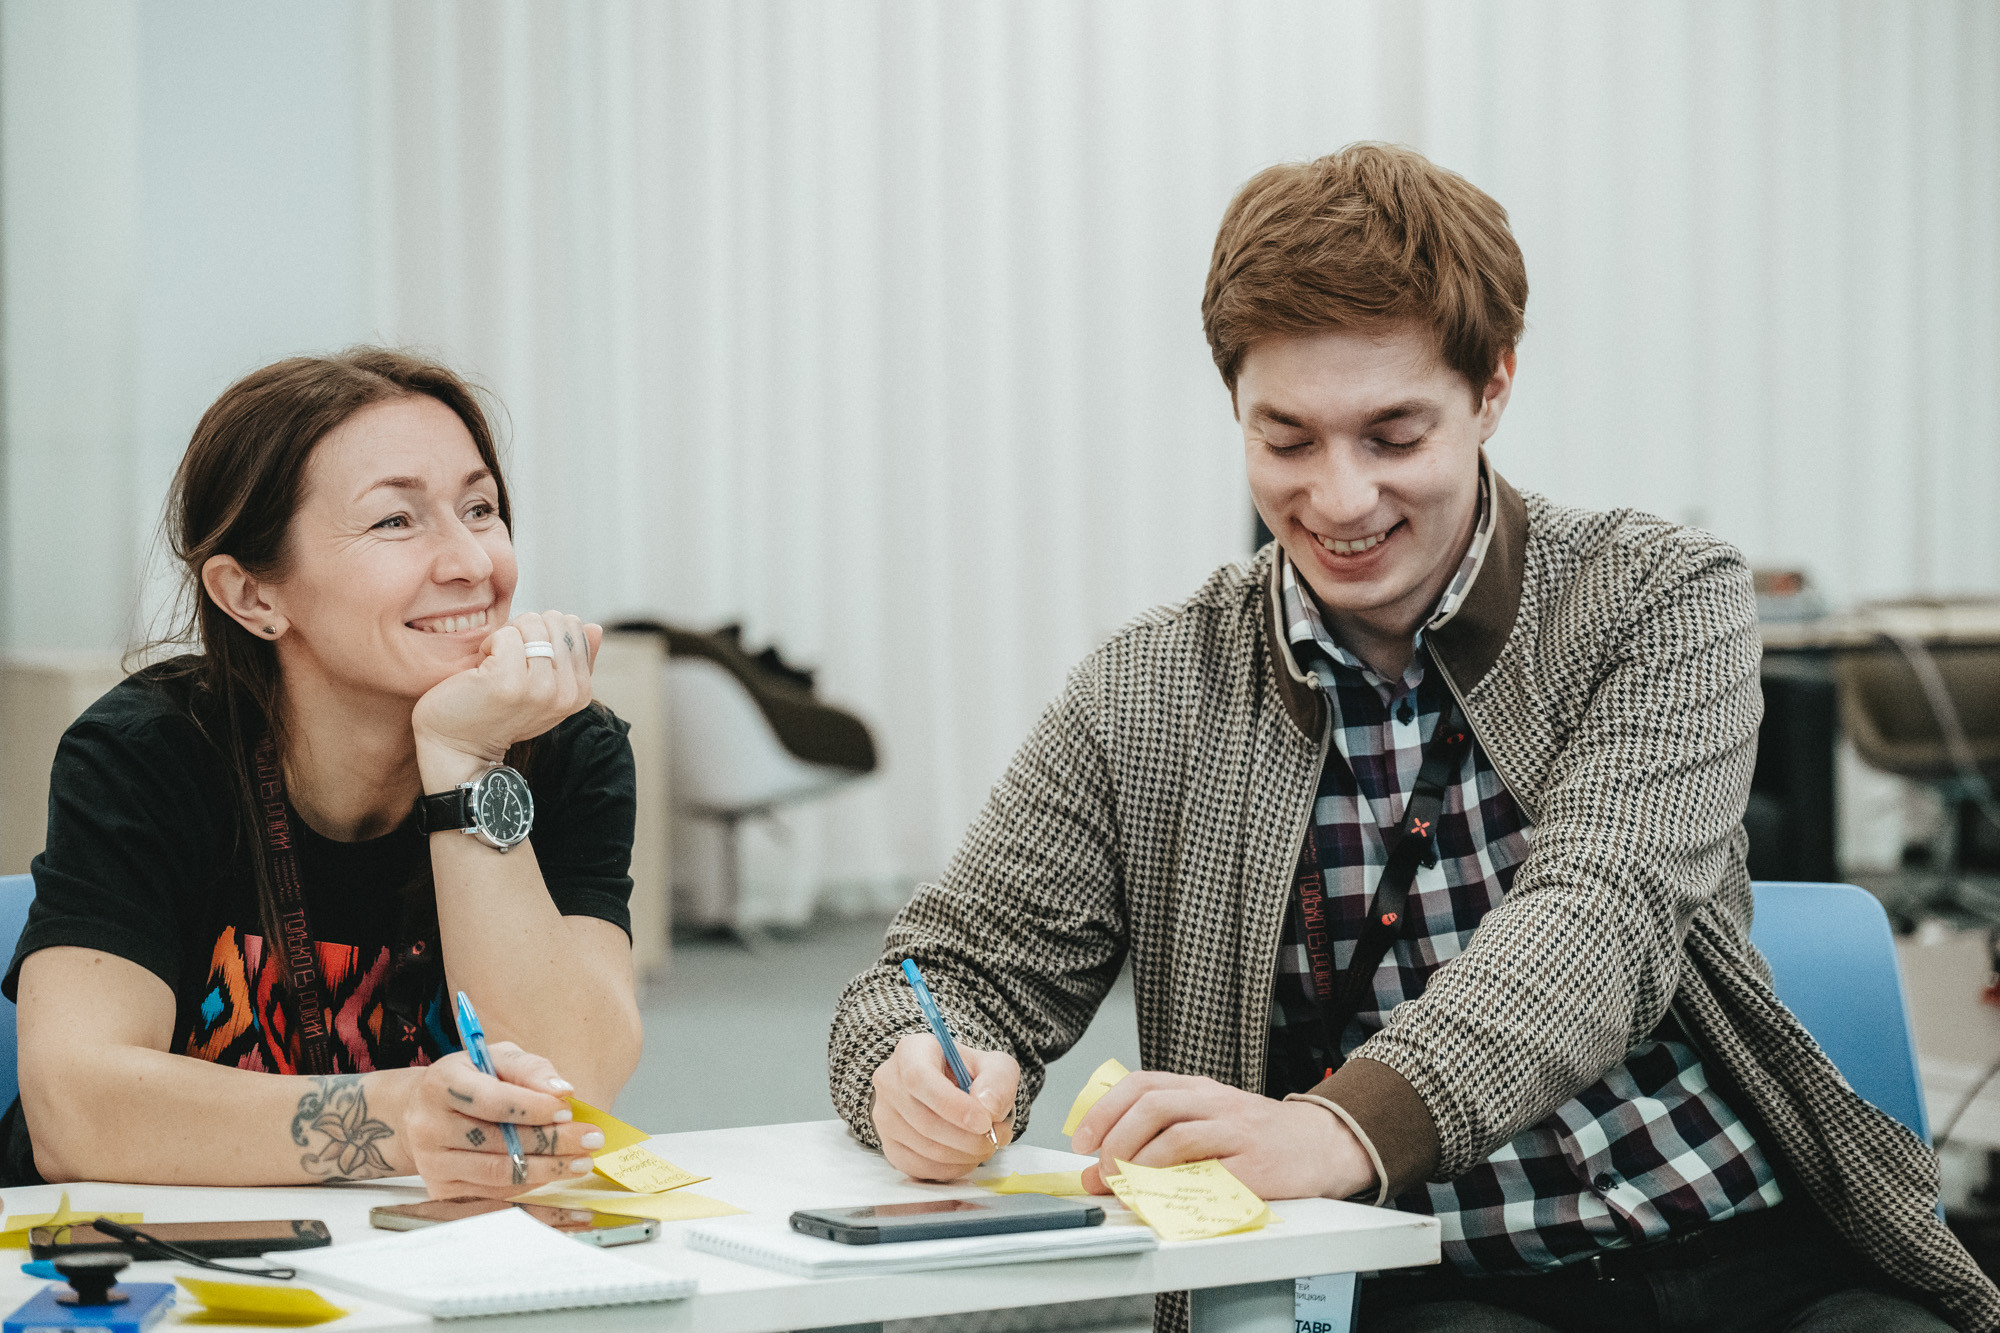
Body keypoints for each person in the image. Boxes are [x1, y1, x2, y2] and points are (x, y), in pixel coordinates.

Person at [828, 145, 1996, 1331]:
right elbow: (954, 968)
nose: (1337, 501)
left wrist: (1335, 1129)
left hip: (1745, 1243)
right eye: (1285, 440)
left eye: (1392, 436)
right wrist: (913, 1069)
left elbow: (1597, 920)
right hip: (1432, 1276)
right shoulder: (1148, 691)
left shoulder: (1654, 594)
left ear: (1490, 389)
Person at [4, 348, 643, 1199]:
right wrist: (394, 1118)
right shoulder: (150, 754)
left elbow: (573, 1092)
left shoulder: (564, 750)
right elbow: (73, 1111)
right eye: (395, 522)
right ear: (253, 595)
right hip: (153, 1258)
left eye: (480, 507)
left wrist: (464, 767)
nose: (473, 563)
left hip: (432, 1258)